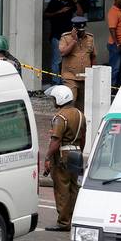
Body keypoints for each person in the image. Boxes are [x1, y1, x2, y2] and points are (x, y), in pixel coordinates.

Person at [43, 86, 86, 232]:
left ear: (60, 99)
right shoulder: (80, 114)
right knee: (74, 188)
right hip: (77, 153)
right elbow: (83, 139)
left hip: (62, 156)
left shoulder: (60, 117)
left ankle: (63, 222)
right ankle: (73, 217)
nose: (53, 101)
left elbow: (55, 141)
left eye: (54, 98)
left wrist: (47, 157)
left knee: (62, 189)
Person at [44, 0, 83, 83]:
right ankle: (56, 82)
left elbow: (80, 13)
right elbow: (45, 15)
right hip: (57, 36)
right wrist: (59, 11)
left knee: (69, 59)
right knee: (57, 60)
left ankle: (67, 80)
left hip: (69, 36)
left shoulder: (71, 2)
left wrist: (75, 1)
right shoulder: (55, 1)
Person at [59, 16, 96, 111]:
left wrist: (94, 74)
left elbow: (93, 56)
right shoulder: (66, 38)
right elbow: (63, 52)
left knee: (82, 106)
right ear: (74, 28)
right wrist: (74, 41)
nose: (81, 32)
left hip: (85, 77)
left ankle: (79, 124)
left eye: (82, 30)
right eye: (79, 30)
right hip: (70, 77)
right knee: (70, 102)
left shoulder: (90, 38)